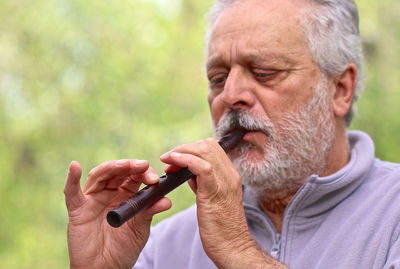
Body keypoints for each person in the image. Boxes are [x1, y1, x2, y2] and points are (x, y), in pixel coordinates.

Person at [64, 0, 400, 268]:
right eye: (217, 78)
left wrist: (239, 252)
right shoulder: (161, 247)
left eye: (265, 72)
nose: (231, 94)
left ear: (340, 89)